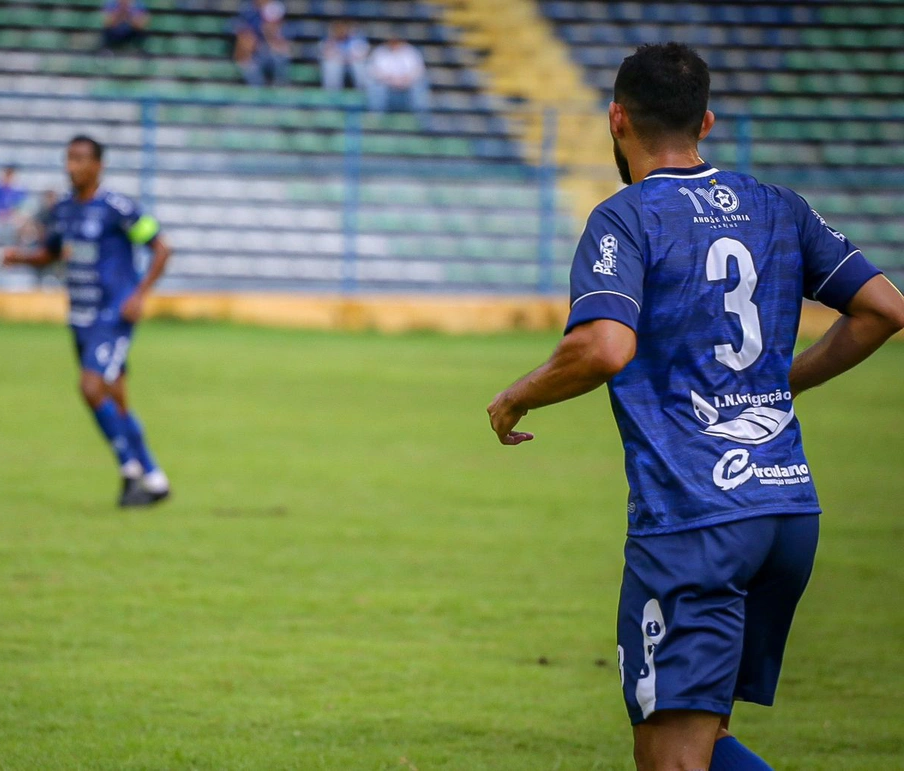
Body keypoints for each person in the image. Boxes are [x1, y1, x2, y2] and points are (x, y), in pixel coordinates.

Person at [485, 43, 904, 771]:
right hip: (785, 509)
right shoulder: (779, 206)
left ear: (616, 119)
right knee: (701, 744)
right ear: (705, 120)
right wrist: (785, 382)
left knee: (670, 760)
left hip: (697, 519)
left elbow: (606, 347)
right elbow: (883, 309)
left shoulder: (626, 219)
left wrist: (518, 395)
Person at [0, 136, 174, 507]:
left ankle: (130, 471)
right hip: (80, 316)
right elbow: (49, 253)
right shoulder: (64, 209)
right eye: (68, 159)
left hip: (112, 314)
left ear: (98, 166)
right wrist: (19, 258)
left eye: (80, 159)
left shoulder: (116, 208)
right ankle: (155, 478)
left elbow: (160, 247)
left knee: (91, 387)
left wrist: (139, 295)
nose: (71, 166)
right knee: (117, 400)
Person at [366, 35, 429, 116]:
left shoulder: (411, 51)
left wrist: (406, 80)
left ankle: (421, 118)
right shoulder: (380, 52)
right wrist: (390, 79)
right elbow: (374, 71)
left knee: (420, 86)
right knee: (375, 87)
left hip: (407, 84)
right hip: (385, 84)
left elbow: (418, 70)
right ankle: (376, 117)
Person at [233, 0, 290, 87]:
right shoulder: (249, 12)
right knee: (249, 67)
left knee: (280, 58)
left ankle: (279, 89)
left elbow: (279, 43)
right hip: (254, 54)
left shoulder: (274, 8)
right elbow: (243, 42)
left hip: (269, 53)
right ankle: (258, 94)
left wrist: (270, 37)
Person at [319, 20, 369, 91]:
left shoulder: (356, 38)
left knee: (359, 65)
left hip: (352, 63)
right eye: (338, 29)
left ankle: (362, 90)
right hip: (338, 63)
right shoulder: (329, 39)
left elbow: (362, 54)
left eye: (343, 29)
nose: (341, 31)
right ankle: (332, 92)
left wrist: (347, 58)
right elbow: (326, 54)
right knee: (331, 65)